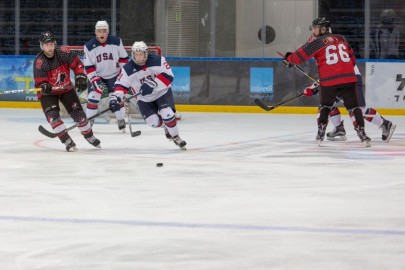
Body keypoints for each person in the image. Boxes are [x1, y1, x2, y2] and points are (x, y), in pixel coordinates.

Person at [284, 17, 371, 146]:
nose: (313, 30)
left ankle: (320, 133)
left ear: (322, 29)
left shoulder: (317, 42)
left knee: (325, 106)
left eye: (315, 28)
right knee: (354, 107)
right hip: (348, 77)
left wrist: (289, 59)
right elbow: (352, 58)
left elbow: (301, 55)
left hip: (329, 80)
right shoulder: (341, 38)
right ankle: (363, 135)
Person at [109, 41, 187, 150]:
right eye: (136, 54)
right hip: (144, 99)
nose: (139, 57)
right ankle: (166, 126)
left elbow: (169, 76)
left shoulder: (158, 60)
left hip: (162, 93)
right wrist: (115, 98)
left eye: (141, 54)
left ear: (146, 53)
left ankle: (175, 136)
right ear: (133, 54)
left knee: (167, 114)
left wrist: (153, 83)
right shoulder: (127, 69)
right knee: (153, 122)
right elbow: (121, 85)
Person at [33, 31, 101, 151]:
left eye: (51, 44)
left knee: (80, 116)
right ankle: (66, 140)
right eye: (46, 45)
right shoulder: (39, 63)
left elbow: (78, 65)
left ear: (54, 44)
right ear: (41, 46)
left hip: (66, 89)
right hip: (48, 93)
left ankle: (89, 136)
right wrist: (44, 85)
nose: (49, 47)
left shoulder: (63, 53)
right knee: (53, 118)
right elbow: (40, 82)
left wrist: (80, 76)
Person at [303, 65, 396, 142]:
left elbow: (332, 69)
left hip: (350, 78)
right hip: (337, 79)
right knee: (327, 104)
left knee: (359, 109)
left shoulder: (332, 46)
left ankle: (384, 124)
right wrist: (314, 88)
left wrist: (313, 88)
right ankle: (338, 128)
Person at [83, 20, 129, 130]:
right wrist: (94, 79)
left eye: (104, 31)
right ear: (96, 32)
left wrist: (124, 76)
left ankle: (120, 119)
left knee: (117, 98)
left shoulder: (116, 41)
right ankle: (90, 120)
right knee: (93, 98)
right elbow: (89, 66)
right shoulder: (89, 46)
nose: (102, 34)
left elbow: (124, 58)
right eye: (99, 31)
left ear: (107, 32)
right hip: (97, 76)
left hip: (114, 75)